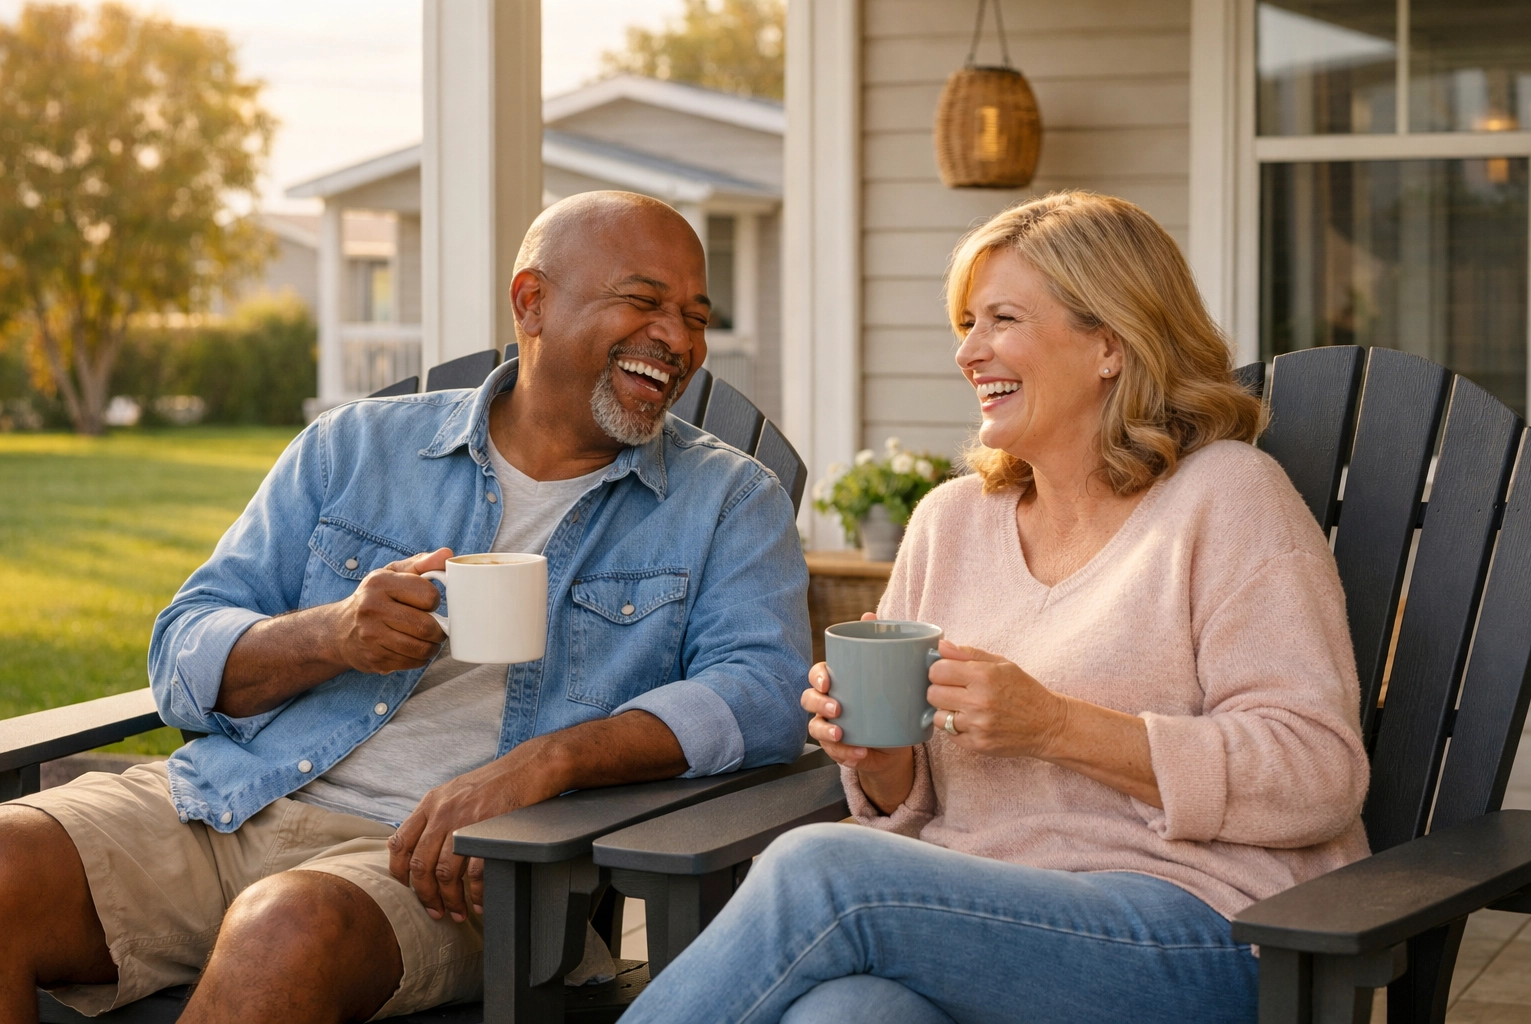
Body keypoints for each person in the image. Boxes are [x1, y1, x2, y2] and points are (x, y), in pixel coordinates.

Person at [0, 191, 811, 1024]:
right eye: (643, 302)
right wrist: (333, 635)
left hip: (444, 870)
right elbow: (182, 655)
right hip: (229, 802)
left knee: (284, 928)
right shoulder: (354, 446)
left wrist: (547, 763)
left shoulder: (726, 500)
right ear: (531, 302)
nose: (678, 340)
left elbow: (762, 691)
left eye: (693, 316)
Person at [620, 192, 1371, 1024]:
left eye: (1002, 319)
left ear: (1112, 343)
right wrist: (876, 757)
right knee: (849, 1015)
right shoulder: (951, 521)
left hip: (1203, 933)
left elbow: (1317, 773)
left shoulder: (1226, 497)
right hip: (979, 928)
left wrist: (1054, 726)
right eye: (966, 322)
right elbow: (921, 798)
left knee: (822, 871)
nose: (968, 352)